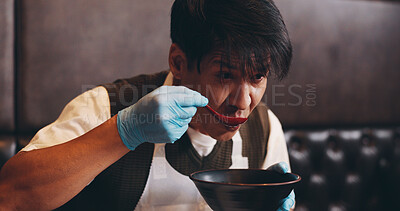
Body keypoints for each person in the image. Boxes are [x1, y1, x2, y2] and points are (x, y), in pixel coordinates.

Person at [0, 0, 294, 210]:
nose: (243, 102)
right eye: (225, 75)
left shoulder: (265, 129)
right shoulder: (107, 105)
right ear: (178, 62)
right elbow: (9, 196)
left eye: (257, 77)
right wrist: (124, 132)